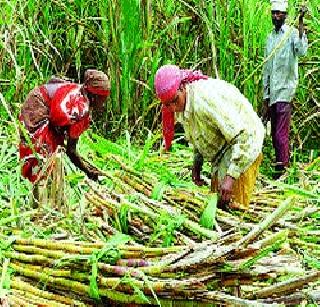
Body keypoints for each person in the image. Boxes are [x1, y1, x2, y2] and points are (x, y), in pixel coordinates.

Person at [155, 64, 264, 210]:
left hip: (245, 144)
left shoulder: (204, 100)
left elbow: (242, 134)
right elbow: (199, 133)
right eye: (168, 105)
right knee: (217, 205)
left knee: (233, 207)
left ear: (182, 87)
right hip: (222, 149)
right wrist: (197, 164)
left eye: (175, 100)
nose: (173, 108)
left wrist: (230, 178)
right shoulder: (183, 104)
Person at [19, 69, 110, 183]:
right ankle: (37, 185)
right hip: (37, 106)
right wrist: (88, 172)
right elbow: (71, 150)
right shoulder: (79, 111)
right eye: (103, 99)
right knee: (40, 153)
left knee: (50, 151)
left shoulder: (78, 92)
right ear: (95, 96)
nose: (103, 103)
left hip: (39, 98)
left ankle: (41, 183)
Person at [261, 0, 308, 179]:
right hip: (272, 93)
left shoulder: (292, 33)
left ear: (286, 15)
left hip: (285, 91)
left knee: (280, 134)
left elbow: (302, 50)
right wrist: (265, 96)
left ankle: (283, 171)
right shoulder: (270, 38)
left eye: (280, 13)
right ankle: (280, 166)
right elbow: (267, 69)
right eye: (274, 13)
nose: (276, 16)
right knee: (274, 134)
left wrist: (301, 21)